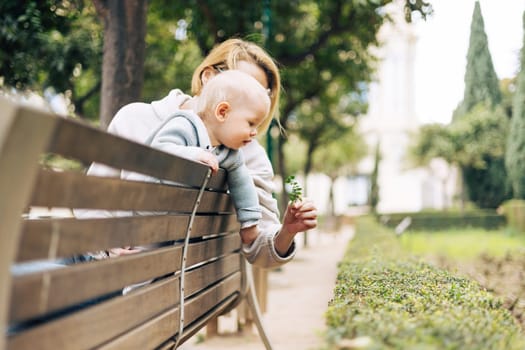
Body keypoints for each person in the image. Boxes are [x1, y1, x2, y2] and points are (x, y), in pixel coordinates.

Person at [88, 38, 317, 268]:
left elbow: (260, 246)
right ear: (207, 77)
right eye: (242, 85)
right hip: (101, 260)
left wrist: (287, 232)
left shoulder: (248, 155)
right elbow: (92, 204)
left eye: (262, 93)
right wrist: (106, 245)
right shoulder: (136, 118)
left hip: (132, 284)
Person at [138, 69, 270, 244]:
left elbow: (243, 184)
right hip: (146, 216)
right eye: (251, 123)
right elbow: (159, 150)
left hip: (182, 225)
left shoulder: (229, 153)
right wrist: (194, 154)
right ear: (222, 112)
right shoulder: (185, 125)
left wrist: (250, 224)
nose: (254, 133)